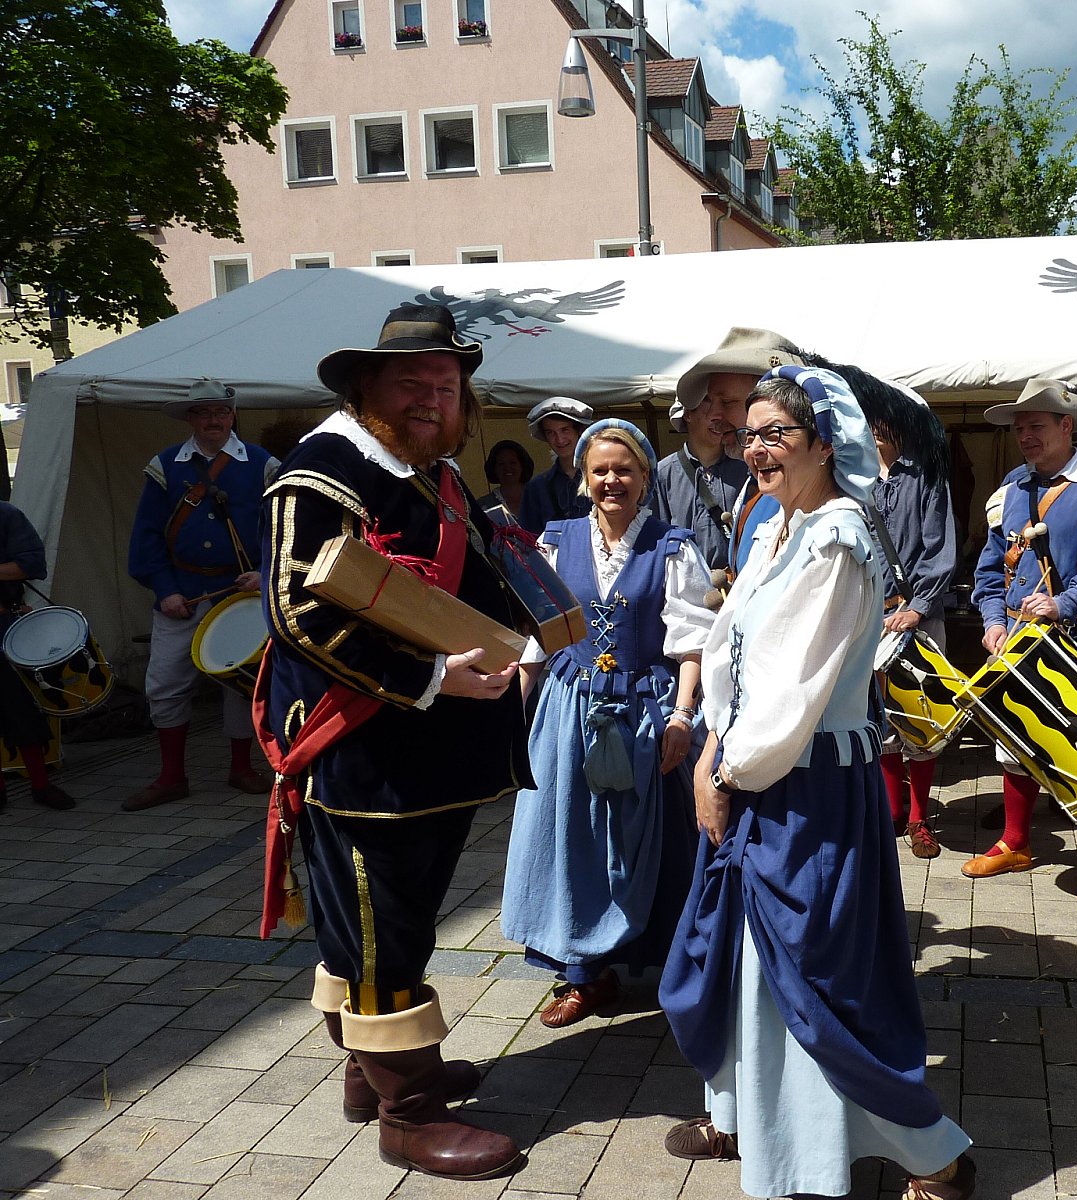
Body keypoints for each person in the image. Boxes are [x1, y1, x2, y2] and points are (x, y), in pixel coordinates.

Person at [660, 366, 975, 1200]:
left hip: (806, 790)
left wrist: (725, 771)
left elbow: (793, 685)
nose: (756, 448)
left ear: (826, 444)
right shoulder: (777, 526)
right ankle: (744, 1120)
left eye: (777, 434)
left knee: (813, 980)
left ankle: (934, 1159)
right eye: (750, 433)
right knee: (745, 962)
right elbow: (734, 654)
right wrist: (713, 749)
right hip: (759, 772)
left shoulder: (836, 540)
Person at [261, 303, 530, 1179]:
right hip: (365, 754)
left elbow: (480, 577)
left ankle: (371, 1070)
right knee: (383, 927)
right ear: (366, 387)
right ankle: (406, 1116)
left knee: (390, 918)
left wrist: (529, 642)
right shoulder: (320, 472)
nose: (431, 400)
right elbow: (297, 613)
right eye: (412, 382)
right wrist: (431, 678)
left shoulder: (434, 474)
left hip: (428, 759)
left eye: (446, 387)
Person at [501, 418, 712, 1027]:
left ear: (645, 477)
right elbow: (538, 635)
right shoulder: (555, 541)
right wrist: (515, 710)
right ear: (584, 478)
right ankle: (583, 974)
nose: (611, 480)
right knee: (573, 836)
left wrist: (682, 717)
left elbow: (692, 643)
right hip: (570, 709)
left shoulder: (673, 547)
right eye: (600, 470)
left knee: (656, 837)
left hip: (648, 709)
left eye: (624, 469)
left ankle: (673, 962)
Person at [964, 379, 1077, 898]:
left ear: (1067, 426)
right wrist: (993, 620)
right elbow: (990, 568)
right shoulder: (1010, 490)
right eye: (1019, 428)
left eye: (1036, 426)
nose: (1025, 436)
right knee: (1014, 743)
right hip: (1017, 643)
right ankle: (1016, 841)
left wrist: (1065, 602)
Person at [125, 378, 275, 811]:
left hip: (241, 596)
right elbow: (148, 534)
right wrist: (165, 589)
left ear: (232, 416)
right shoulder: (165, 465)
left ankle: (241, 768)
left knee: (241, 683)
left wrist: (264, 573)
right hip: (183, 593)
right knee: (165, 684)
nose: (214, 419)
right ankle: (171, 777)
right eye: (204, 412)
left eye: (221, 411)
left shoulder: (263, 464)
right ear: (190, 418)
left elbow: (282, 527)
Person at [872, 415, 958, 859]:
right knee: (881, 723)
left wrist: (917, 607)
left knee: (921, 722)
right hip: (869, 620)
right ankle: (892, 810)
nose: (874, 427)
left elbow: (939, 549)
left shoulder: (928, 475)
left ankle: (919, 818)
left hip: (918, 617)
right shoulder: (853, 479)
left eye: (883, 418)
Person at [652, 327, 803, 572]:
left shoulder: (818, 505)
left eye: (728, 402)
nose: (715, 414)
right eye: (710, 402)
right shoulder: (757, 489)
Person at [0, 502, 71, 810]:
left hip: (3, 627)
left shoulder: (5, 515)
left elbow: (31, 564)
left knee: (21, 708)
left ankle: (41, 785)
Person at [519, 396, 594, 537]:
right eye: (550, 433)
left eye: (565, 430)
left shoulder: (601, 478)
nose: (559, 439)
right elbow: (528, 540)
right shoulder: (536, 488)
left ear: (579, 430)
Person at [478, 439, 535, 528]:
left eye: (512, 463)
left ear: (522, 465)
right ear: (494, 469)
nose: (507, 468)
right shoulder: (483, 506)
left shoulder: (540, 498)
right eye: (501, 464)